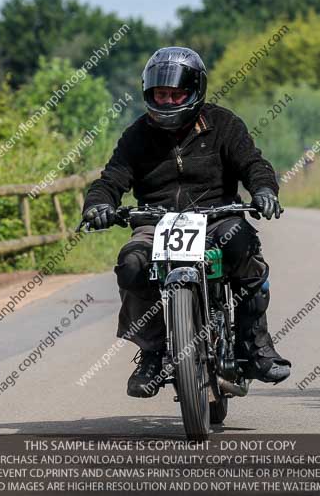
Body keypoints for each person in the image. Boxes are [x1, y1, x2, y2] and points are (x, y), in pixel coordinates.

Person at [82, 46, 291, 398]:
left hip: (217, 217)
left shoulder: (224, 124)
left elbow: (253, 163)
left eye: (175, 94)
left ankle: (255, 346)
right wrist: (98, 204)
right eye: (160, 94)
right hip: (156, 221)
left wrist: (264, 190)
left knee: (243, 247)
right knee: (132, 264)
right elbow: (112, 178)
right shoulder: (137, 135)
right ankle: (152, 353)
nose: (166, 102)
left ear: (195, 92)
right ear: (149, 93)